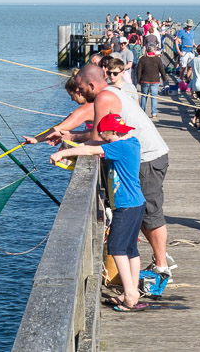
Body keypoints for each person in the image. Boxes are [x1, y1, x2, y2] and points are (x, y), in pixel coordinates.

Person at [51, 64, 174, 275]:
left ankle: (162, 267)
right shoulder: (113, 90)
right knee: (143, 212)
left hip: (147, 157)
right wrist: (65, 138)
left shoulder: (103, 97)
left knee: (151, 214)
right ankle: (158, 261)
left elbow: (97, 138)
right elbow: (100, 135)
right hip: (142, 155)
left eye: (80, 88)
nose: (78, 92)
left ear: (91, 84)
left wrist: (70, 141)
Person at [51, 114, 147, 311]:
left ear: (111, 133)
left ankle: (129, 294)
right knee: (131, 249)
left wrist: (62, 154)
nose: (102, 138)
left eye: (104, 135)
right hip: (137, 204)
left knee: (117, 248)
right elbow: (95, 143)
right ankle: (133, 290)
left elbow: (91, 149)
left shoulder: (117, 148)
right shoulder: (131, 142)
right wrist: (68, 141)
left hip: (125, 205)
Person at [136, 43, 167, 119]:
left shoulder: (142, 59)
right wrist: (164, 78)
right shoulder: (158, 59)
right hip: (155, 80)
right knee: (154, 97)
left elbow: (138, 70)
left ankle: (142, 111)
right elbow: (162, 70)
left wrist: (139, 79)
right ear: (154, 50)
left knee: (144, 96)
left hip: (144, 80)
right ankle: (154, 113)